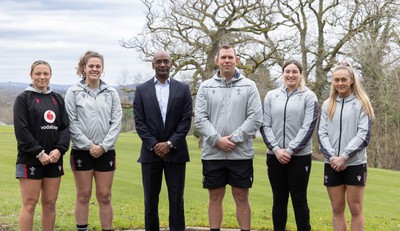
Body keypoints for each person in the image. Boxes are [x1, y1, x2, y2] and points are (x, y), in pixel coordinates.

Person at [195, 44, 262, 231]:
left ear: (237, 60)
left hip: (240, 153)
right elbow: (200, 119)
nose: (227, 61)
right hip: (213, 154)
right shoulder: (206, 86)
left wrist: (234, 138)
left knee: (241, 197)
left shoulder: (249, 86)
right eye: (223, 57)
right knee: (215, 197)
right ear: (217, 60)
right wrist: (217, 140)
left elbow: (256, 117)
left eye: (230, 57)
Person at [133, 50, 192, 231]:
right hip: (150, 154)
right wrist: (154, 145)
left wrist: (170, 144)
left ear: (171, 64)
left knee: (176, 200)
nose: (162, 65)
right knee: (150, 201)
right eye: (158, 61)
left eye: (166, 61)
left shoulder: (183, 89)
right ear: (153, 65)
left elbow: (186, 120)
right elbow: (139, 121)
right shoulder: (142, 90)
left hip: (176, 152)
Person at [65, 51, 122, 231]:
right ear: (84, 68)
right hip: (82, 151)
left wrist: (103, 147)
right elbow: (71, 123)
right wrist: (89, 145)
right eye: (91, 66)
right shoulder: (73, 92)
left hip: (106, 151)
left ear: (102, 69)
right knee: (83, 194)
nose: (94, 69)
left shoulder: (111, 93)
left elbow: (116, 122)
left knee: (104, 195)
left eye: (98, 66)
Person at [260, 60, 318, 231]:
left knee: (299, 199)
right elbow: (265, 124)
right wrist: (276, 150)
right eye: (287, 71)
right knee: (279, 199)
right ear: (282, 73)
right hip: (275, 156)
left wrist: (290, 150)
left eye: (294, 72)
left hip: (299, 157)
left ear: (301, 74)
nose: (291, 75)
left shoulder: (309, 96)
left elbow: (308, 127)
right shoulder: (271, 95)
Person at [13, 60, 70, 231]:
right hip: (30, 159)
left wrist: (59, 150)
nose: (42, 77)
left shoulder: (57, 98)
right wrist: (39, 153)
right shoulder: (23, 99)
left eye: (46, 73)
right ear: (31, 75)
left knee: (50, 204)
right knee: (30, 204)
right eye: (38, 73)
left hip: (54, 160)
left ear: (50, 75)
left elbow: (65, 128)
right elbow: (22, 131)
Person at [318, 61, 374, 231]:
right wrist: (333, 157)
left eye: (343, 79)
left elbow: (363, 134)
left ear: (351, 80)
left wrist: (344, 157)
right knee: (337, 209)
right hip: (332, 163)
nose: (340, 83)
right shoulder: (327, 104)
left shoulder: (362, 103)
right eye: (336, 80)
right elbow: (322, 134)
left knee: (355, 209)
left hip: (354, 164)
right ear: (332, 82)